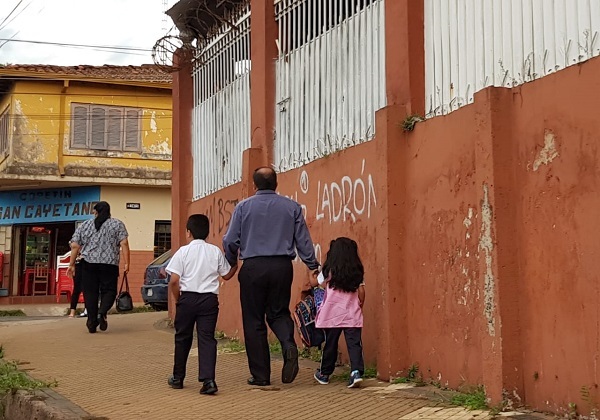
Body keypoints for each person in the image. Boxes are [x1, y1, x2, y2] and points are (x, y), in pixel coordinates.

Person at [223, 167, 320, 386]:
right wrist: (312, 264)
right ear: (276, 184)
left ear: (254, 185)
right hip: (281, 266)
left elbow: (230, 240)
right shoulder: (292, 207)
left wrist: (231, 260)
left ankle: (261, 375)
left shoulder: (243, 207)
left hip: (253, 267)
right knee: (278, 313)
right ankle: (289, 345)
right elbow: (303, 240)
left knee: (254, 320)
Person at [166, 214, 237, 395]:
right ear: (208, 232)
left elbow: (174, 281)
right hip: (208, 300)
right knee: (207, 338)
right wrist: (236, 263)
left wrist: (178, 300)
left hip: (187, 298)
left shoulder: (183, 252)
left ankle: (178, 377)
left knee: (183, 337)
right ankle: (208, 380)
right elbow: (227, 275)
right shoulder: (214, 251)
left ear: (188, 232)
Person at [311, 237, 366, 388]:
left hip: (332, 314)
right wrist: (360, 304)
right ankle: (356, 372)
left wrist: (313, 275)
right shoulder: (357, 272)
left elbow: (316, 283)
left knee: (330, 343)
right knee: (354, 344)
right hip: (351, 313)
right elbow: (361, 291)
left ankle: (324, 373)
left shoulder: (328, 270)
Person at [68, 201, 129, 334]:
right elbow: (124, 243)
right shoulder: (117, 224)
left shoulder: (85, 225)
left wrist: (71, 264)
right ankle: (102, 313)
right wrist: (126, 263)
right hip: (110, 264)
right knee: (109, 291)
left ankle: (91, 322)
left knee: (90, 293)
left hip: (89, 264)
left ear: (95, 212)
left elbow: (75, 246)